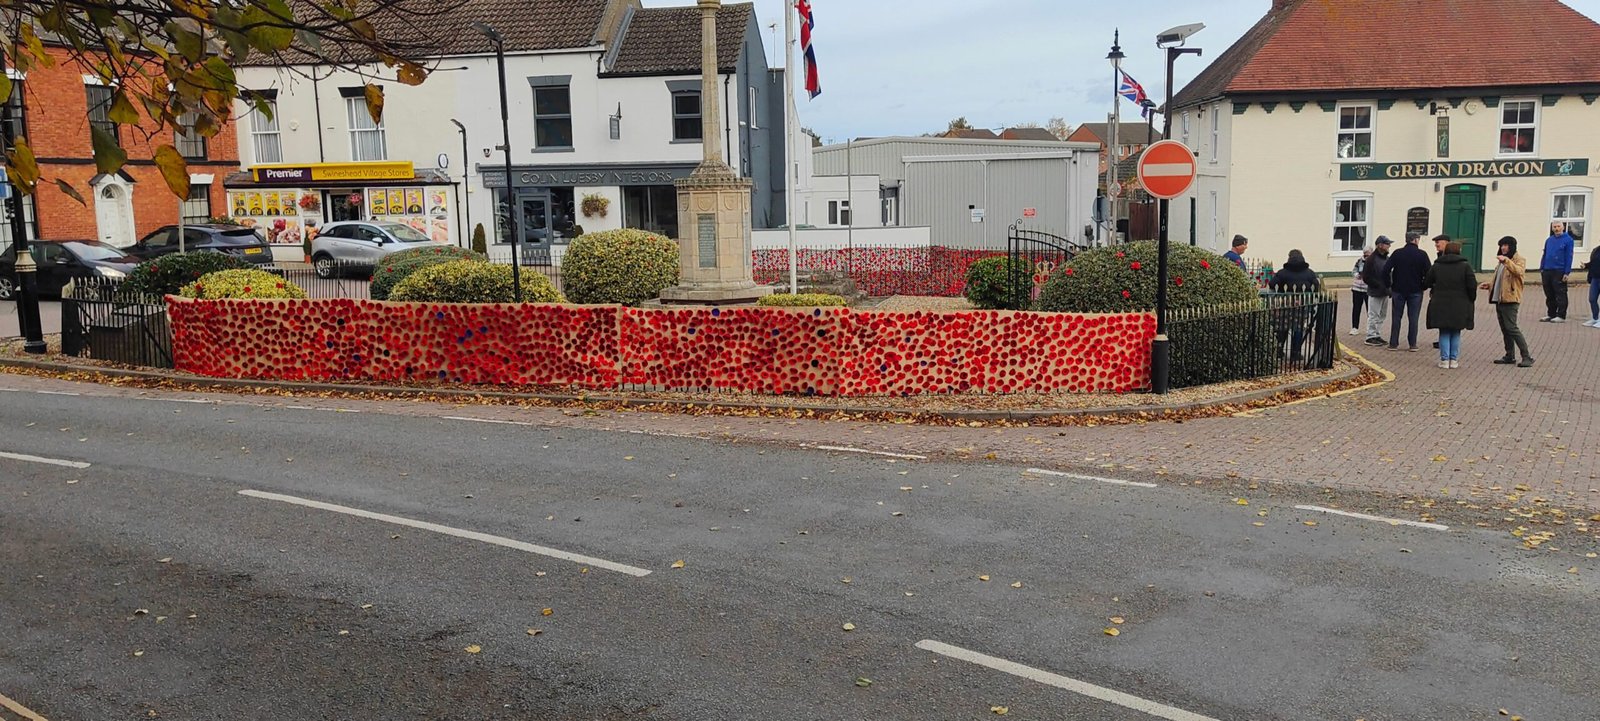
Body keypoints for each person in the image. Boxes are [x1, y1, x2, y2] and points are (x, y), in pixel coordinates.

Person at [1424, 240, 1477, 369]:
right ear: (1459, 251)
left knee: (1444, 331)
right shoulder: (1465, 266)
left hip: (1440, 302)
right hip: (1460, 303)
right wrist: (1471, 298)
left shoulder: (1437, 266)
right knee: (1456, 331)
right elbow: (1472, 285)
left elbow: (1427, 282)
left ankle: (1444, 359)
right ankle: (1453, 360)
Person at [1482, 236, 1534, 367]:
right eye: (1501, 246)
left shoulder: (1518, 260)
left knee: (1512, 328)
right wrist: (1490, 285)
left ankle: (1527, 356)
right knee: (1505, 329)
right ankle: (1509, 355)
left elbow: (1519, 272)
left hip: (1511, 299)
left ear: (1512, 246)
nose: (1503, 248)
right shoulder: (1500, 262)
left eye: (1506, 245)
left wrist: (1507, 261)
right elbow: (1501, 280)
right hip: (1499, 299)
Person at [1386, 232, 1433, 351]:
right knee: (1413, 318)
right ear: (1416, 240)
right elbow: (1429, 273)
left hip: (1398, 289)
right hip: (1416, 290)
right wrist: (1424, 285)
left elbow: (1385, 269)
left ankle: (1393, 343)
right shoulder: (1422, 254)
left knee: (1396, 317)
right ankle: (1412, 344)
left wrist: (1389, 284)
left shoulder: (1397, 253)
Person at [1540, 221, 1574, 322]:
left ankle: (1561, 315)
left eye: (1558, 226)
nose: (1556, 228)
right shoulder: (1549, 240)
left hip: (1559, 270)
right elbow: (1545, 254)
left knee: (1560, 293)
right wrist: (1542, 267)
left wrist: (1567, 272)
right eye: (1554, 227)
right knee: (1549, 293)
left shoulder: (1568, 240)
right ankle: (1551, 314)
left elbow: (1569, 256)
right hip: (1547, 270)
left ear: (1563, 227)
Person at [1362, 236, 1393, 346]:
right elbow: (1366, 277)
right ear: (1380, 245)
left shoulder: (1387, 259)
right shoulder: (1371, 259)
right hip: (1375, 292)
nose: (1389, 246)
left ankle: (1377, 334)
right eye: (1387, 244)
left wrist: (1389, 287)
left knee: (1382, 314)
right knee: (1374, 314)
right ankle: (1370, 336)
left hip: (1385, 291)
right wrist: (1378, 285)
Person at [1350, 247, 1370, 335]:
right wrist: (1357, 275)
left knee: (1370, 310)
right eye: (1365, 254)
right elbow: (1354, 271)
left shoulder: (1373, 262)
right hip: (1357, 288)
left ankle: (1370, 328)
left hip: (1368, 289)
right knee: (1356, 308)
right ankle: (1354, 327)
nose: (1366, 256)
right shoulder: (1359, 261)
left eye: (1368, 254)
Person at [1585, 240, 1600, 328]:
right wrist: (1586, 265)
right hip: (1595, 278)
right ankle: (1595, 318)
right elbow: (1594, 263)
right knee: (1592, 299)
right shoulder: (1596, 250)